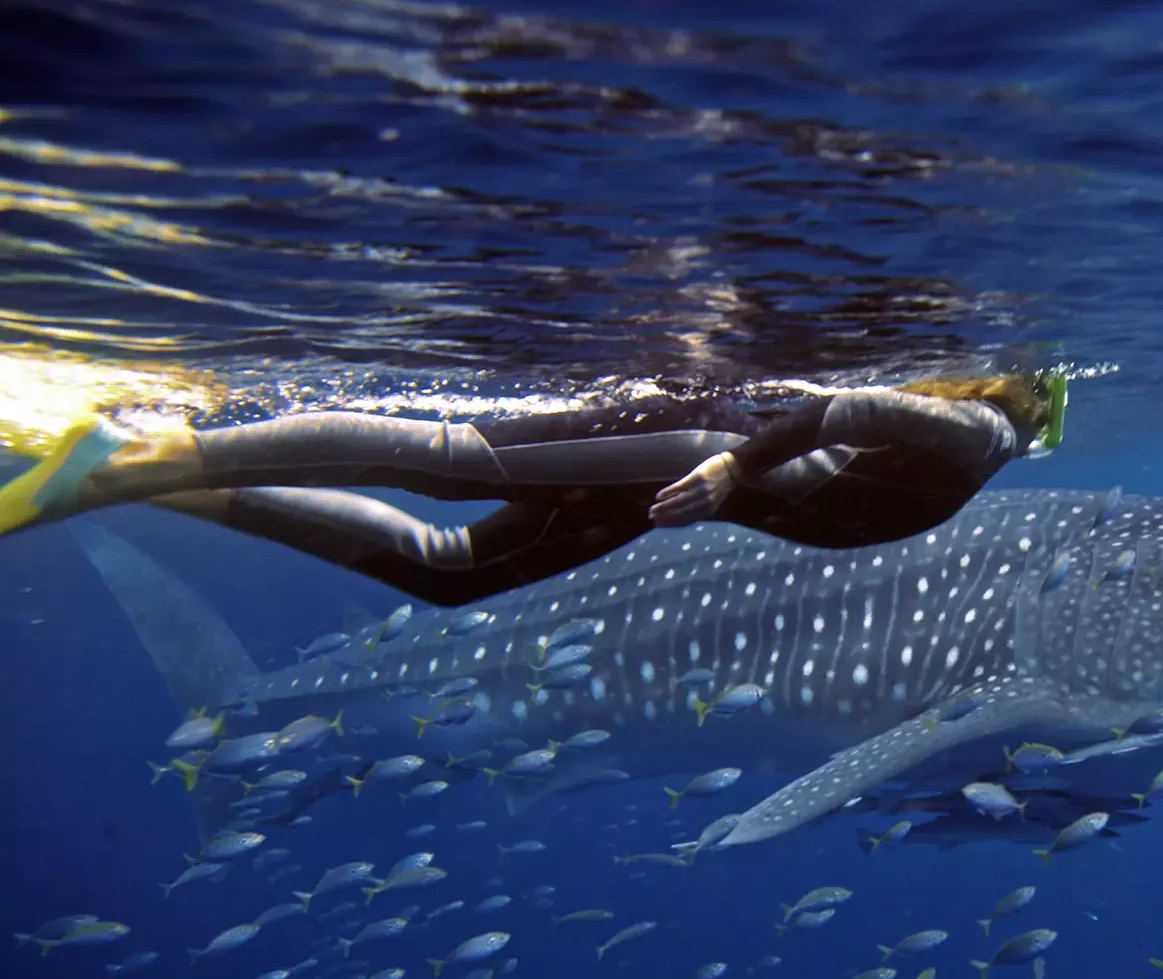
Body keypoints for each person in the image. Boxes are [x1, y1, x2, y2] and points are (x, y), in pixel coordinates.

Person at [0, 369, 1065, 606]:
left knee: (453, 572)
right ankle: (155, 452)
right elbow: (848, 411)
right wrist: (735, 466)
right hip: (686, 451)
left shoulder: (979, 443)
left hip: (677, 489)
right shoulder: (976, 433)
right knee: (453, 459)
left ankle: (134, 480)